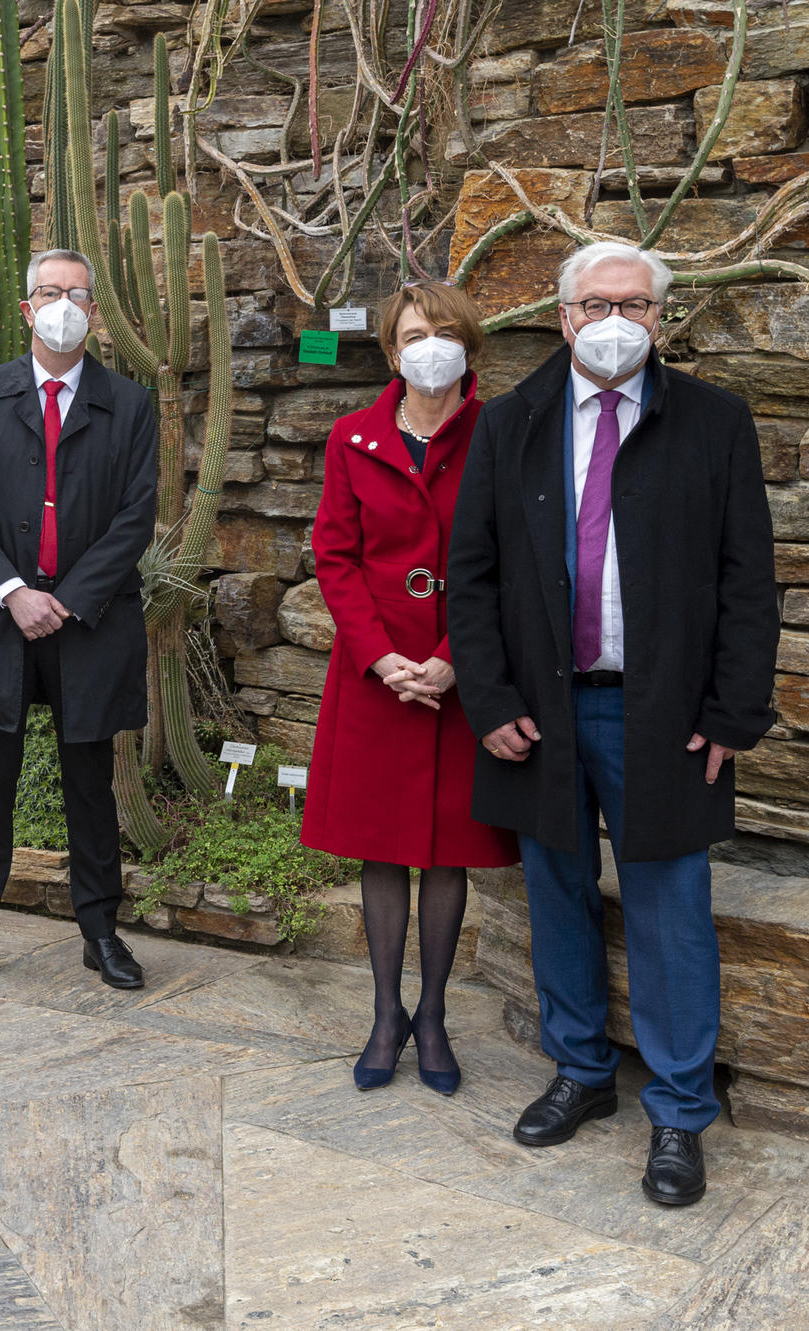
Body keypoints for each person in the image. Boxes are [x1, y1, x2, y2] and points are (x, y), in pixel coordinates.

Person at [446, 240, 779, 1208]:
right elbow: (469, 578)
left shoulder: (715, 424)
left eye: (632, 306)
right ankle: (581, 1069)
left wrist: (730, 710)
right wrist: (491, 700)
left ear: (657, 318)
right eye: (594, 304)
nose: (613, 322)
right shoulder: (509, 426)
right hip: (541, 712)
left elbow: (746, 582)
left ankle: (678, 1112)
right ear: (561, 317)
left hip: (666, 716)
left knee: (670, 914)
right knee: (555, 895)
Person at [301, 282, 521, 1099]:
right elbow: (336, 555)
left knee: (449, 852)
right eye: (413, 334)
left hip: (463, 674)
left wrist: (456, 656)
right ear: (392, 352)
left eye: (444, 331)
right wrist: (382, 657)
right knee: (384, 847)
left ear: (469, 344)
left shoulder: (500, 433)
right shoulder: (353, 436)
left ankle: (433, 1013)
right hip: (377, 678)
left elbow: (511, 558)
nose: (429, 344)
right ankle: (385, 1014)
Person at [0, 248, 158, 991]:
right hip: (0, 621)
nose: (62, 305)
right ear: (26, 309)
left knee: (90, 786)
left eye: (77, 294)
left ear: (94, 313)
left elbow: (135, 517)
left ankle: (101, 934)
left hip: (87, 620)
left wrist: (69, 597)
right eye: (48, 292)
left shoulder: (130, 404)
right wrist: (13, 592)